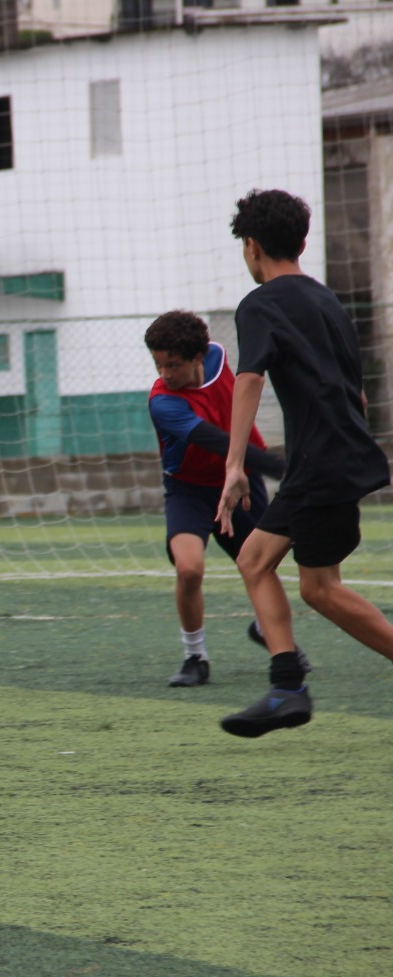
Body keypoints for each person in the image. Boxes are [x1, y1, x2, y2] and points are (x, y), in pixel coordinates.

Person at [216, 189, 393, 737]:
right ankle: (287, 686)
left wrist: (234, 467)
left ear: (252, 247)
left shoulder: (260, 304)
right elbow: (358, 394)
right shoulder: (327, 301)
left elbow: (248, 380)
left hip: (319, 462)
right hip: (337, 455)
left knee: (320, 589)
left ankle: (289, 689)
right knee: (254, 560)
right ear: (302, 240)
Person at [144, 309, 297, 687]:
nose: (164, 373)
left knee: (262, 566)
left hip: (241, 482)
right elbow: (213, 441)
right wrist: (281, 468)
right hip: (189, 491)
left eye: (173, 364)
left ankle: (273, 637)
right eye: (158, 364)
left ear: (198, 357)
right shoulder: (163, 402)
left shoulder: (217, 355)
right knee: (189, 568)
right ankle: (195, 656)